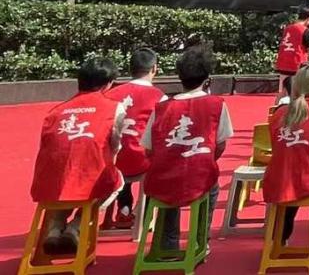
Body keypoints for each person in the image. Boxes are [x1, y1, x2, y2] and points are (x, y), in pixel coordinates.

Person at [30, 57, 125, 256]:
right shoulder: (113, 108)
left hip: (47, 182)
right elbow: (115, 146)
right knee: (115, 182)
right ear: (108, 84)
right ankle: (76, 225)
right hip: (88, 177)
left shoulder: (55, 111)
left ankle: (55, 227)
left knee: (65, 183)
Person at [142, 47, 232, 252]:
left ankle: (168, 241)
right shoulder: (217, 104)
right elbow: (220, 145)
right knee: (211, 187)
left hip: (162, 177)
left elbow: (148, 149)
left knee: (165, 185)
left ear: (180, 76)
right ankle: (201, 240)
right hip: (200, 175)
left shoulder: (161, 107)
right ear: (207, 78)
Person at [263, 62, 309, 245]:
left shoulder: (278, 113)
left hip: (279, 178)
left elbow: (275, 145)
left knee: (290, 185)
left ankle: (280, 237)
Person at [103, 47, 164, 231]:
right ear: (154, 68)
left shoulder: (110, 94)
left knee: (121, 152)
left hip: (112, 159)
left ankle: (124, 207)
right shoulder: (159, 97)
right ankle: (145, 213)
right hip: (142, 159)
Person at [275, 8, 309, 99]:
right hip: (297, 64)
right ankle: (296, 107)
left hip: (283, 62)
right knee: (298, 93)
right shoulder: (305, 30)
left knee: (283, 91)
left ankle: (277, 107)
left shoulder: (288, 28)